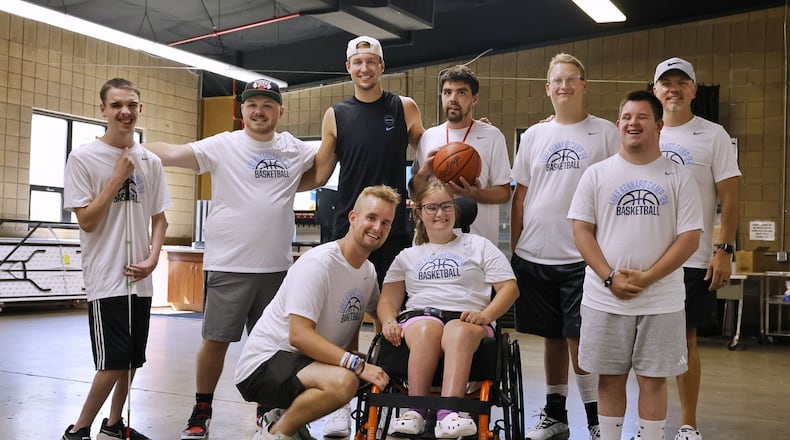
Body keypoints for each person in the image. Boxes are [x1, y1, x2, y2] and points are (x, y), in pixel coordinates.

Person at [145, 79, 317, 440]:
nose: (259, 111)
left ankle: (267, 409)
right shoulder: (224, 144)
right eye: (252, 104)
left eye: (267, 105)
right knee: (216, 340)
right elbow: (174, 153)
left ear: (280, 111)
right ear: (241, 111)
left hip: (276, 268)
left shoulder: (293, 148)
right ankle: (201, 409)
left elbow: (321, 167)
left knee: (273, 346)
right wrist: (131, 147)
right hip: (228, 264)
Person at [297, 35, 425, 436]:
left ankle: (399, 390)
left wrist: (469, 135)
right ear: (348, 67)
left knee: (392, 312)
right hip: (348, 225)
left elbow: (432, 147)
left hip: (392, 225)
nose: (365, 68)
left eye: (372, 61)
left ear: (381, 67)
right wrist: (271, 185)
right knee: (346, 316)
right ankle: (343, 399)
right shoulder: (335, 114)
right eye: (358, 62)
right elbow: (319, 172)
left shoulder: (403, 107)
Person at [568, 90, 703, 440]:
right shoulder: (596, 175)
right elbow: (581, 231)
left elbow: (689, 238)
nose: (633, 123)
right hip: (604, 297)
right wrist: (609, 277)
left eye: (642, 117)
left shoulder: (679, 176)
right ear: (617, 125)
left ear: (658, 125)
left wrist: (647, 278)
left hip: (662, 301)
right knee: (609, 379)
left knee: (653, 380)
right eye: (627, 117)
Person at [509, 53, 619, 440]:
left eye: (572, 79)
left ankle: (595, 419)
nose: (565, 86)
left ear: (584, 86)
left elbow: (616, 188)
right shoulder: (534, 136)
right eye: (557, 80)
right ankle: (555, 414)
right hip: (535, 253)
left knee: (580, 337)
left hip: (583, 255)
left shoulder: (606, 132)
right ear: (548, 88)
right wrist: (516, 247)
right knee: (553, 336)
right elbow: (520, 195)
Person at [234, 185, 400, 440]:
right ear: (353, 218)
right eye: (371, 218)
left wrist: (387, 341)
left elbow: (378, 311)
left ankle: (283, 417)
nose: (378, 228)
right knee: (345, 380)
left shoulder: (367, 271)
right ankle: (277, 432)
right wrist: (356, 364)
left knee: (368, 370)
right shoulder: (319, 264)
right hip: (264, 364)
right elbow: (299, 336)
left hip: (301, 363)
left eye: (386, 223)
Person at [62, 78, 171, 440]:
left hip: (140, 277)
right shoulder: (82, 158)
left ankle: (113, 426)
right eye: (117, 105)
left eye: (132, 105)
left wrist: (154, 258)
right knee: (112, 361)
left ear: (140, 110)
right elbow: (88, 220)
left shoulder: (150, 161)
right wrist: (117, 177)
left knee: (133, 359)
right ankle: (77, 430)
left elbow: (160, 217)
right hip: (107, 276)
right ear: (104, 110)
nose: (125, 112)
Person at [376, 178, 519, 438]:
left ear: (455, 209)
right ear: (419, 212)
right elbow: (387, 300)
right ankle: (415, 412)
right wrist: (389, 322)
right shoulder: (407, 256)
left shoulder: (479, 245)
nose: (440, 213)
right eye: (431, 207)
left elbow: (510, 288)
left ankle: (448, 414)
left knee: (457, 331)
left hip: (469, 319)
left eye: (446, 206)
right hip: (421, 317)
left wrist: (485, 315)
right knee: (425, 330)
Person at [652, 57, 741, 440]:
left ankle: (688, 424)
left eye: (681, 82)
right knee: (646, 342)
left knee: (685, 340)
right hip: (645, 257)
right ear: (655, 90)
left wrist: (724, 249)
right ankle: (650, 422)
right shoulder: (642, 129)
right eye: (665, 83)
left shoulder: (713, 135)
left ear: (693, 89)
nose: (673, 89)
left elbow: (731, 196)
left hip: (693, 257)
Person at [411, 65, 511, 245]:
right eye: (447, 92)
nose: (453, 99)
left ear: (474, 98)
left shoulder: (492, 135)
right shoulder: (429, 136)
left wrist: (476, 193)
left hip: (477, 242)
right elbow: (414, 194)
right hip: (433, 241)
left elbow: (504, 193)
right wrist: (423, 173)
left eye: (461, 93)